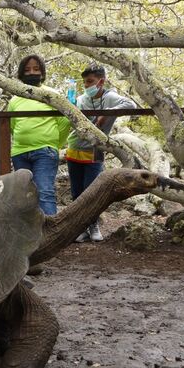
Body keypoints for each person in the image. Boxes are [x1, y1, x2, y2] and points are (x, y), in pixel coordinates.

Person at [67, 63, 136, 242]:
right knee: (77, 192)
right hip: (75, 147)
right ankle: (78, 228)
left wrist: (107, 113)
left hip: (95, 150)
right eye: (85, 83)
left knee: (93, 190)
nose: (87, 86)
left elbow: (131, 105)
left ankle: (93, 224)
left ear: (101, 81)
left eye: (90, 81)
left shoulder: (110, 97)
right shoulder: (81, 99)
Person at [7, 54, 71, 216]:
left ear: (42, 73)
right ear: (21, 74)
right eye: (27, 70)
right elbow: (12, 126)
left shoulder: (51, 94)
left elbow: (64, 123)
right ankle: (27, 234)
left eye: (36, 69)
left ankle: (51, 235)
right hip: (19, 152)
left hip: (45, 151)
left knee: (44, 191)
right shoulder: (15, 99)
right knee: (23, 194)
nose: (32, 73)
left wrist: (54, 144)